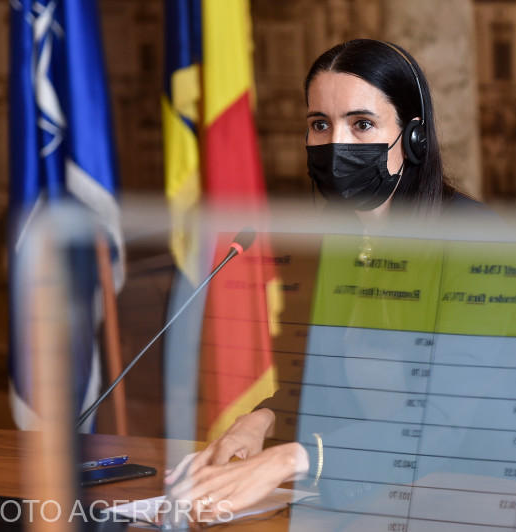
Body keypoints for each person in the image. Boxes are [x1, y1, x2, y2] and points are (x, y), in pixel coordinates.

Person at [165, 39, 486, 519]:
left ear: (414, 138)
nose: (338, 144)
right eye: (320, 124)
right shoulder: (338, 242)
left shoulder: (475, 240)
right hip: (371, 501)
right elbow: (323, 386)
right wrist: (262, 420)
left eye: (362, 124)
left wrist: (289, 459)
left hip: (475, 497)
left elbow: (444, 422)